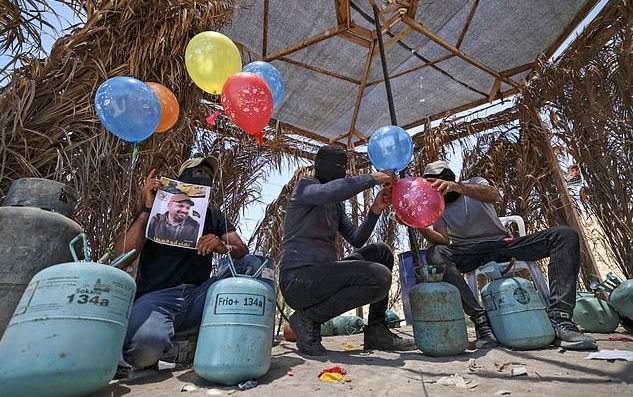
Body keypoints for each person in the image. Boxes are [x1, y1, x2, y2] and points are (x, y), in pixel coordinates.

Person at [416, 160, 597, 350]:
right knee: (435, 253)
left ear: (447, 179)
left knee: (563, 235)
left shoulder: (474, 183)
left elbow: (493, 195)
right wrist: (418, 225)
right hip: (470, 252)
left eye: (437, 183)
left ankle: (561, 319)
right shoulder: (437, 207)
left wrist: (458, 187)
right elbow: (442, 240)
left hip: (504, 245)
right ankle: (481, 323)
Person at [113, 156, 262, 375]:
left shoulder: (214, 215)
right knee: (144, 350)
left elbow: (242, 250)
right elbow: (121, 258)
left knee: (253, 264)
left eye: (208, 174)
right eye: (196, 172)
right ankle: (156, 346)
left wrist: (223, 246)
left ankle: (249, 342)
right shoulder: (156, 210)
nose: (203, 177)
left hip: (200, 296)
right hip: (157, 297)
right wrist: (147, 208)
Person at [280, 145, 416, 356]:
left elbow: (357, 239)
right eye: (338, 167)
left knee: (381, 253)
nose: (342, 172)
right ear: (321, 167)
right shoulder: (306, 187)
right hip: (298, 283)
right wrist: (372, 178)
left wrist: (375, 209)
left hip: (324, 277)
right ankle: (308, 318)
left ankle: (377, 330)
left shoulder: (336, 206)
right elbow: (328, 191)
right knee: (379, 277)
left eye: (343, 168)